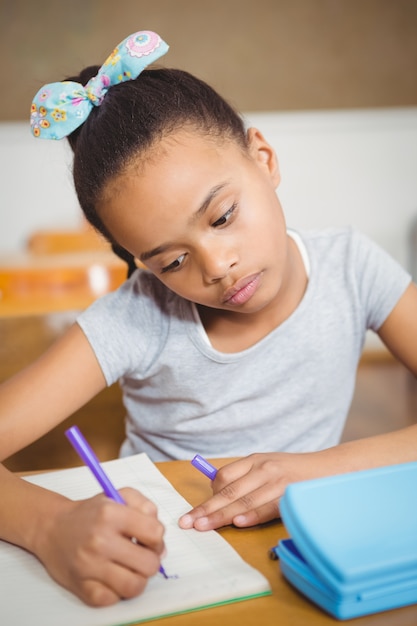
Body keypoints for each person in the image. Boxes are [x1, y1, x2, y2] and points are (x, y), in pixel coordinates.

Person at [2, 28, 417, 606]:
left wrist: (322, 469)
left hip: (306, 552)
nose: (218, 266)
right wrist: (49, 526)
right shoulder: (139, 315)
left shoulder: (352, 267)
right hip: (170, 565)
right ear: (139, 263)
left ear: (264, 159)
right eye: (172, 261)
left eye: (222, 217)